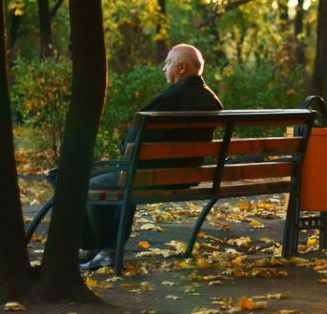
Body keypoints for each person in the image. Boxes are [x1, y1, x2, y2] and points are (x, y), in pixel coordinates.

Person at [79, 43, 223, 270]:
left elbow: (131, 145)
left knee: (87, 184)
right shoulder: (211, 100)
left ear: (182, 67)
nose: (164, 68)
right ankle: (105, 249)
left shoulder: (170, 99)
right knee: (125, 179)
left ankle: (100, 248)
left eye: (167, 63)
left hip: (156, 176)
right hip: (188, 175)